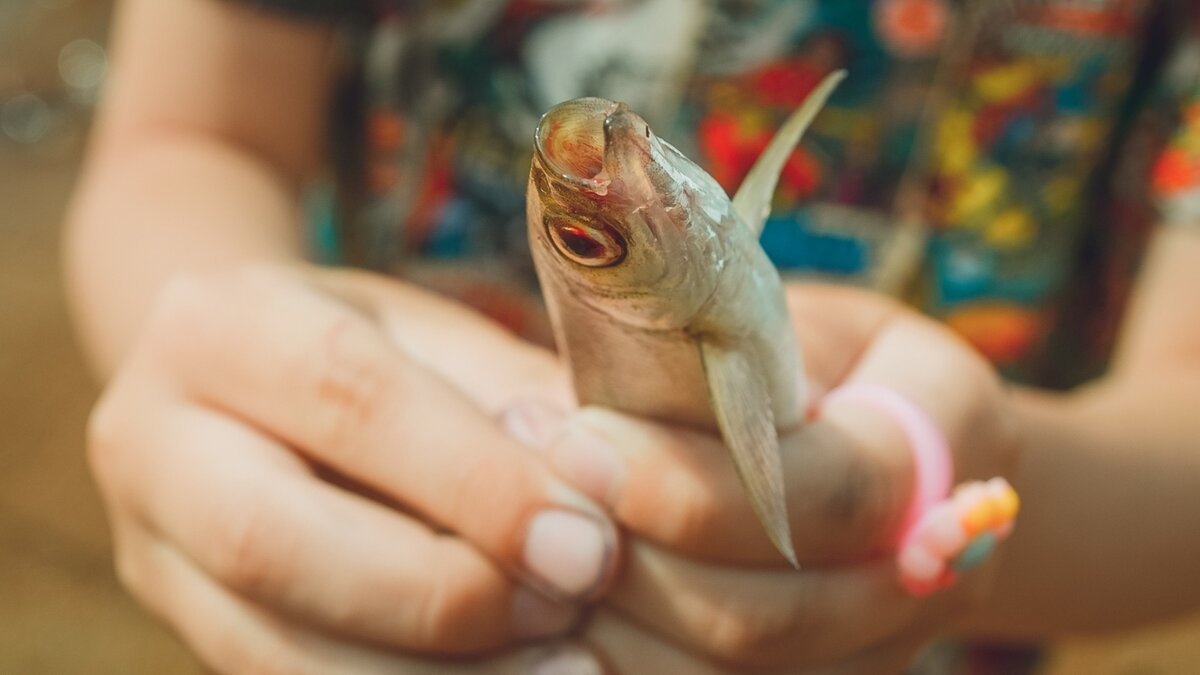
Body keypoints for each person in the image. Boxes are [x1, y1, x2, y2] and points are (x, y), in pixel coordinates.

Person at [65, 0, 1200, 672]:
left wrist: (952, 472)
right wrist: (236, 400)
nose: (618, 174)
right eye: (594, 232)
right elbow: (191, 138)